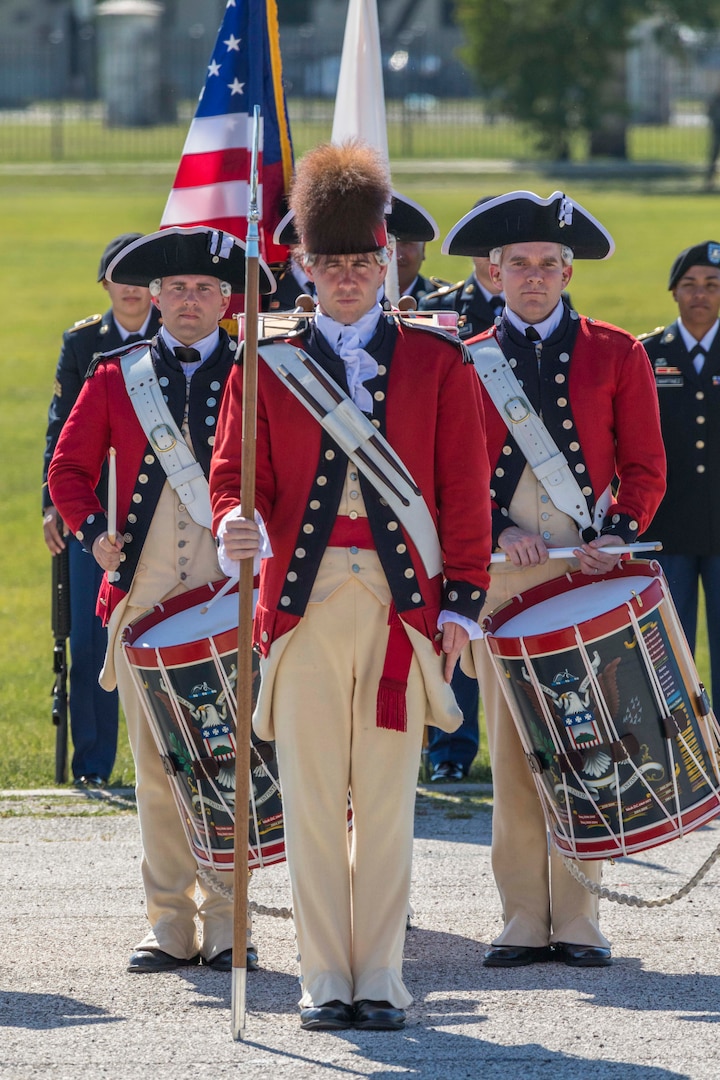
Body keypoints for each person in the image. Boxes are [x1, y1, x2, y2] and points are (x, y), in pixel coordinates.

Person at [210, 140, 492, 1031]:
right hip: (301, 602)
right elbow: (234, 475)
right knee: (308, 793)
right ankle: (325, 979)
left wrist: (464, 602)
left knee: (386, 798)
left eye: (362, 262)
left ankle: (382, 981)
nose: (346, 278)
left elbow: (462, 491)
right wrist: (232, 522)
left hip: (405, 608)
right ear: (305, 266)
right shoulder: (265, 360)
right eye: (328, 263)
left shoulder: (438, 363)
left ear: (388, 265)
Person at [443, 190, 666, 968]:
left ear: (567, 273)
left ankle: (576, 919)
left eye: (547, 265)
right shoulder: (463, 358)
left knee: (584, 739)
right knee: (511, 751)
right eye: (517, 266)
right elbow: (451, 473)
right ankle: (519, 919)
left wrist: (618, 533)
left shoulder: (616, 352)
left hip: (585, 569)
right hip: (504, 575)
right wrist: (498, 529)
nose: (532, 278)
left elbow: (643, 466)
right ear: (491, 274)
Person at [48, 225, 275, 975]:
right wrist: (94, 535)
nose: (187, 301)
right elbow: (69, 471)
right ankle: (169, 922)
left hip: (232, 589)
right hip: (145, 592)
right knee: (156, 765)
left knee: (232, 756)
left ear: (225, 300)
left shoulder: (261, 372)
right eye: (175, 290)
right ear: (153, 297)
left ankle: (229, 922)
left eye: (204, 289)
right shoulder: (116, 374)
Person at [42, 233, 162, 789]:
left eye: (142, 278)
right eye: (121, 277)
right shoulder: (83, 342)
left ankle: (169, 762)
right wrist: (54, 508)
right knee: (92, 638)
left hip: (165, 506)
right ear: (106, 284)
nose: (132, 288)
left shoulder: (180, 338)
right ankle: (92, 766)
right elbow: (60, 432)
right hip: (95, 510)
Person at [639, 241, 720, 704]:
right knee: (670, 645)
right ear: (673, 292)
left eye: (711, 284)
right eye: (689, 284)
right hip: (669, 524)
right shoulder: (648, 353)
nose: (700, 294)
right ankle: (684, 745)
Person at [705, 90, 720, 187]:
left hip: (717, 131)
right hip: (717, 131)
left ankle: (709, 180)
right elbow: (710, 112)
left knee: (713, 157)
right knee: (713, 157)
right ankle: (709, 181)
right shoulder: (716, 100)